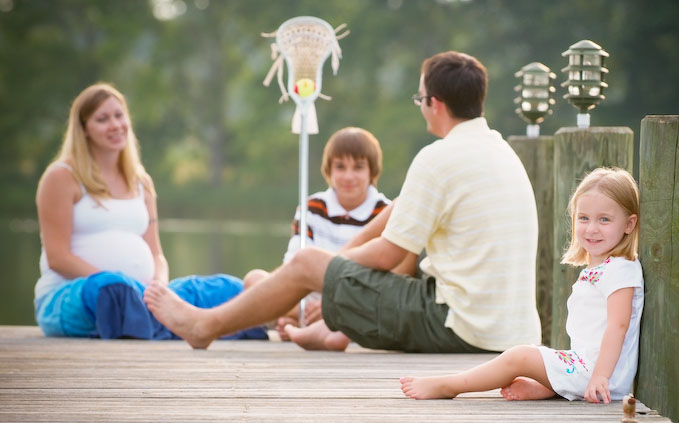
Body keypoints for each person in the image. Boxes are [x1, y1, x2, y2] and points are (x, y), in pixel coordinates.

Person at [144, 51, 541, 353]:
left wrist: (322, 272)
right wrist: (331, 276)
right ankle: (322, 324)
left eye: (419, 97)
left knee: (303, 261)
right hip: (508, 332)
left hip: (458, 326)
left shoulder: (437, 159)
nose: (420, 105)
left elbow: (389, 255)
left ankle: (205, 327)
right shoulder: (498, 151)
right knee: (323, 260)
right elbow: (399, 213)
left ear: (434, 103)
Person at [33, 82, 265, 340]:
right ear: (84, 129)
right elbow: (58, 258)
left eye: (119, 115)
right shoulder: (62, 177)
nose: (115, 125)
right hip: (75, 296)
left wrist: (160, 291)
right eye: (102, 119)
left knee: (227, 290)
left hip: (142, 295)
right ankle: (181, 324)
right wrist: (126, 288)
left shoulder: (141, 182)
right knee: (113, 290)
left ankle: (170, 320)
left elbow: (156, 254)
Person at [400, 167, 643, 404]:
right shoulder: (601, 269)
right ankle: (552, 388)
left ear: (629, 224)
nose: (592, 228)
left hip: (601, 375)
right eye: (584, 218)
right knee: (529, 353)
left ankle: (449, 385)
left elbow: (617, 326)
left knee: (520, 356)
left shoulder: (620, 270)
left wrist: (600, 376)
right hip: (588, 367)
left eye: (604, 219)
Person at [242, 127, 391, 344]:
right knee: (254, 280)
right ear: (329, 170)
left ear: (372, 171)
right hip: (306, 292)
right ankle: (296, 319)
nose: (349, 176)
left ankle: (309, 323)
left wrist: (331, 304)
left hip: (353, 299)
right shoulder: (312, 207)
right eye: (340, 167)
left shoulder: (384, 211)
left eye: (358, 167)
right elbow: (292, 263)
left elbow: (380, 275)